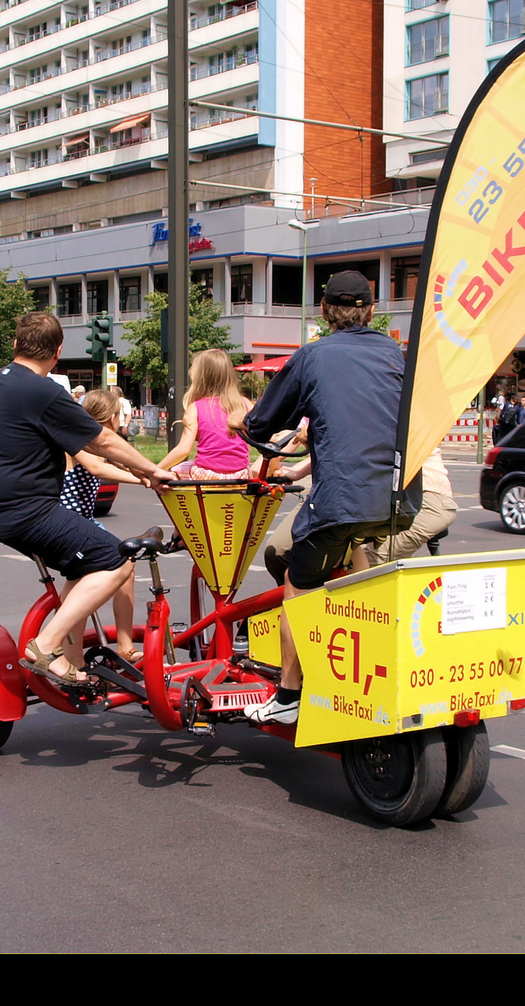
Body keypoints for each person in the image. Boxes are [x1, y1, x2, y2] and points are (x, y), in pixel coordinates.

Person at [233, 270, 408, 726]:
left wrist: (245, 425)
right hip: (399, 500)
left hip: (341, 499)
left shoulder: (312, 356)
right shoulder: (397, 354)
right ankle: (359, 662)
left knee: (297, 577)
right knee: (356, 558)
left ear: (324, 312)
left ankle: (289, 695)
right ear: (372, 310)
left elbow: (263, 424)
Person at [0, 313, 176, 687]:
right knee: (118, 561)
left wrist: (142, 473)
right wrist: (154, 471)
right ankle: (45, 645)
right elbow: (103, 442)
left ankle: (73, 663)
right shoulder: (42, 392)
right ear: (57, 353)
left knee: (84, 565)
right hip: (25, 509)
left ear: (15, 345)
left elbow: (92, 455)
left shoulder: (0, 382)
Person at [60, 388, 146, 663]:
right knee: (82, 588)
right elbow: (98, 468)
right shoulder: (79, 441)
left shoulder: (97, 440)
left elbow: (126, 460)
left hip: (85, 520)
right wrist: (143, 481)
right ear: (111, 417)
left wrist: (154, 472)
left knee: (125, 567)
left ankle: (123, 645)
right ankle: (71, 658)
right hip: (71, 522)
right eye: (119, 415)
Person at [158, 350, 257, 481]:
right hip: (240, 475)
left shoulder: (196, 408)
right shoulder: (245, 404)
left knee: (179, 469)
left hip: (206, 476)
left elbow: (183, 450)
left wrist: (157, 469)